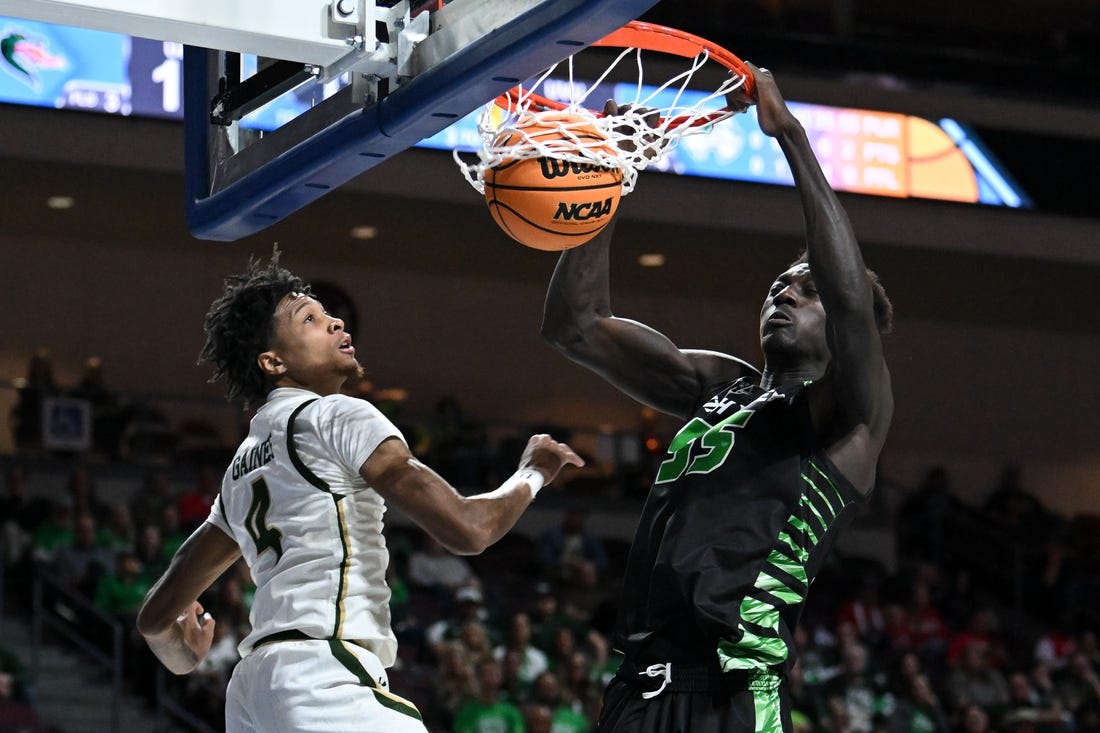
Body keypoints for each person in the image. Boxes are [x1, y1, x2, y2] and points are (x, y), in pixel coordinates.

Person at [540, 63, 893, 732]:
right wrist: (607, 181)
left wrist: (790, 136)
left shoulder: (849, 420)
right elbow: (574, 325)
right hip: (635, 693)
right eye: (779, 285)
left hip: (730, 695)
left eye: (807, 287)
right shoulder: (718, 385)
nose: (784, 293)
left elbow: (850, 298)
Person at [136, 253, 583, 733]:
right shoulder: (337, 417)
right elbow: (469, 529)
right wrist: (532, 473)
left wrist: (185, 656)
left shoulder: (240, 471)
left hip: (252, 693)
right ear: (273, 361)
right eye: (310, 318)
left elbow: (156, 619)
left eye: (328, 314)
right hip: (322, 675)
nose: (335, 322)